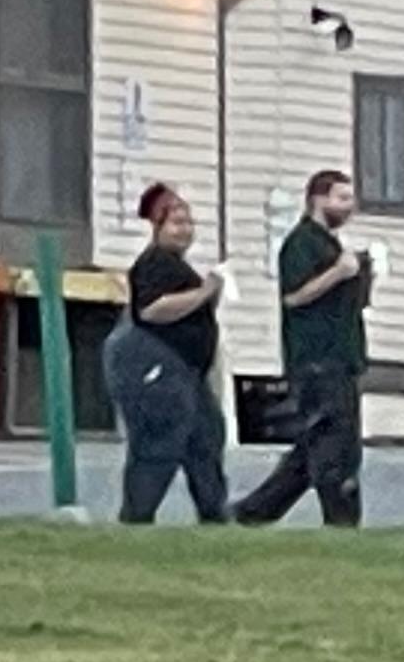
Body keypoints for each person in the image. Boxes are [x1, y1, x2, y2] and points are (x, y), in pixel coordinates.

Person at [229, 168, 379, 528]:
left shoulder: (331, 245)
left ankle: (255, 511)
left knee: (313, 445)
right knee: (334, 444)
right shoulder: (301, 243)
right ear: (318, 199)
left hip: (342, 356)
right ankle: (341, 519)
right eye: (341, 198)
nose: (349, 206)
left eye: (350, 199)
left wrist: (362, 274)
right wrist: (339, 273)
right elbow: (295, 296)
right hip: (317, 359)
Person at [106, 182, 231, 523]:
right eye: (176, 223)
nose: (185, 230)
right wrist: (205, 292)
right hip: (156, 365)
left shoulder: (181, 268)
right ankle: (137, 516)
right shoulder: (154, 264)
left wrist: (211, 295)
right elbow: (153, 310)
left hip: (188, 370)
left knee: (206, 437)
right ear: (158, 227)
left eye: (188, 223)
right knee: (158, 444)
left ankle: (214, 514)